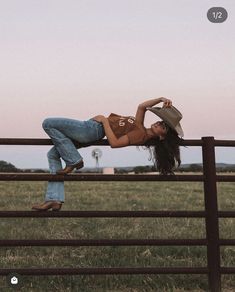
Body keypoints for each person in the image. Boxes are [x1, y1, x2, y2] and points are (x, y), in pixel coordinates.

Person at [32, 97, 184, 211]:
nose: (159, 123)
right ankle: (54, 199)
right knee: (52, 155)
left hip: (92, 129)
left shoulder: (140, 136)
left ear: (162, 136)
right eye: (161, 121)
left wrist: (104, 121)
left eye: (163, 127)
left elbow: (115, 143)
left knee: (48, 123)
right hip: (93, 129)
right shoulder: (140, 127)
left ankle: (73, 160)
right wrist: (161, 99)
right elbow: (142, 106)